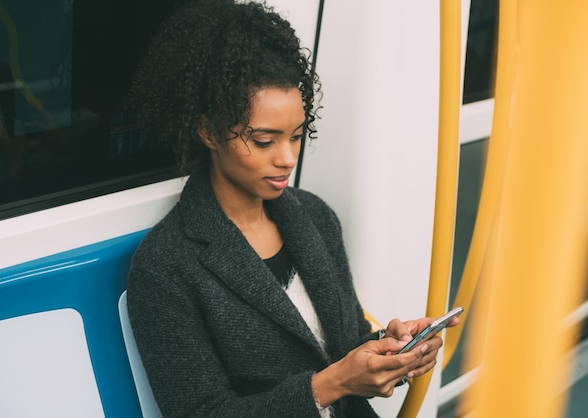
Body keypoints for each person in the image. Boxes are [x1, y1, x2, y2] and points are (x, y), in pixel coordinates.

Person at [126, 1, 459, 417]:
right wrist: (331, 385)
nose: (287, 158)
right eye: (264, 141)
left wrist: (387, 349)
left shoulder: (315, 217)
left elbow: (341, 343)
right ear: (208, 131)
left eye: (297, 136)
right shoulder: (166, 266)